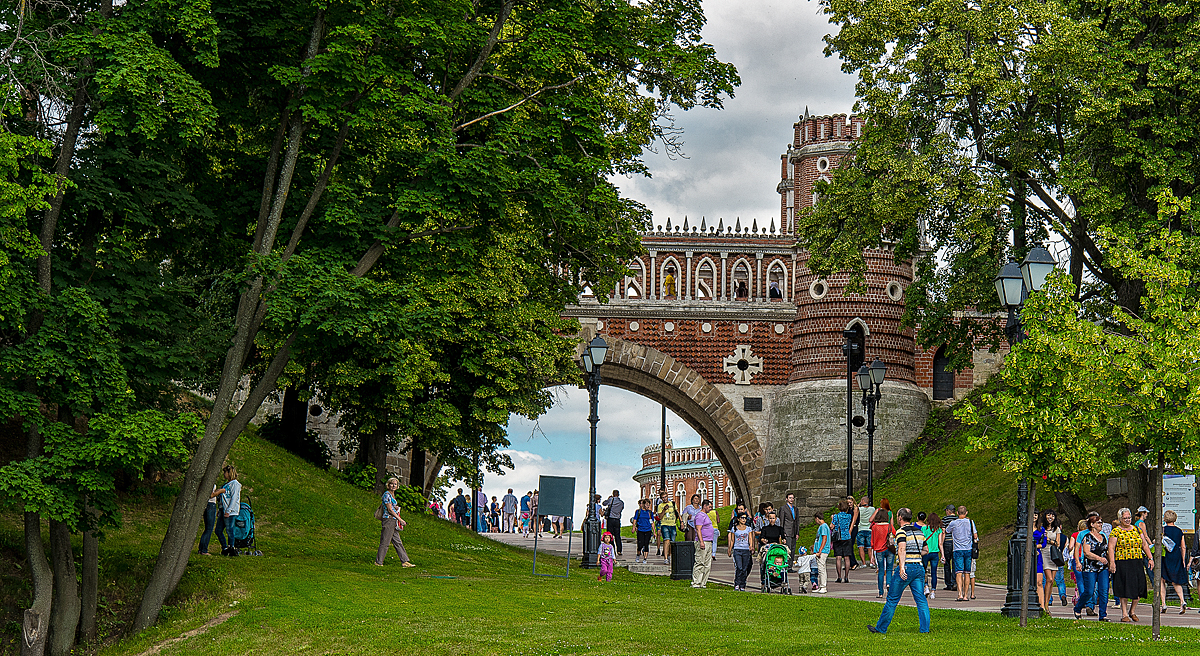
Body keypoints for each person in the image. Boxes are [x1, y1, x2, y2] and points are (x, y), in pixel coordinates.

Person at [868, 508, 931, 635]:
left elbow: (902, 549)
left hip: (906, 567)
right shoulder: (919, 532)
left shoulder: (901, 532)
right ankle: (925, 629)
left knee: (892, 599)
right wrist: (915, 553)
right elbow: (926, 550)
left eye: (897, 516)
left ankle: (881, 628)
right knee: (921, 599)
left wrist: (902, 566)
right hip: (919, 567)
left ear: (900, 518)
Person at [1108, 507, 1153, 622]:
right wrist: (1112, 562)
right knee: (1124, 588)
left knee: (1139, 587)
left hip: (1136, 561)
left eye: (1129, 518)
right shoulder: (1116, 531)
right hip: (1123, 562)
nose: (1127, 520)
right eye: (1125, 518)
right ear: (1120, 519)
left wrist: (1150, 558)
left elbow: (1144, 545)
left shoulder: (1137, 529)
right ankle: (1124, 614)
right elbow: (1111, 548)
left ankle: (1132, 611)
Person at [1074, 514, 1109, 621]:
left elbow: (1106, 551)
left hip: (1103, 567)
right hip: (1090, 567)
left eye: (1101, 522)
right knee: (1089, 591)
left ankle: (1103, 615)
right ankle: (1078, 607)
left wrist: (1111, 562)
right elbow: (1086, 552)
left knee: (1104, 591)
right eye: (1098, 522)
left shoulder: (1103, 536)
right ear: (1092, 524)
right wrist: (1078, 562)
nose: (1101, 524)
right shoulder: (1086, 536)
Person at [375, 477, 415, 567]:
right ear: (388, 485)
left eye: (395, 484)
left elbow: (392, 507)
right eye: (391, 484)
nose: (393, 485)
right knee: (385, 541)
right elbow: (389, 509)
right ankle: (378, 562)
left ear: (397, 486)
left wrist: (396, 508)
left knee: (397, 541)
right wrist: (400, 519)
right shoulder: (387, 494)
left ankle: (405, 561)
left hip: (393, 520)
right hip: (388, 520)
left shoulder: (392, 495)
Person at [1033, 508, 1063, 614]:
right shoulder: (1041, 528)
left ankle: (1046, 603)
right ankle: (1044, 603)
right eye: (1049, 515)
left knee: (1051, 581)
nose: (1051, 517)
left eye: (1053, 515)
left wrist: (1050, 541)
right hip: (1044, 553)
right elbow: (1045, 541)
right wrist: (1051, 541)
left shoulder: (1056, 529)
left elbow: (1058, 543)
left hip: (1053, 555)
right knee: (1048, 578)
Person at [1160, 510, 1188, 613]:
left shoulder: (1162, 530)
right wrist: (1183, 559)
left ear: (1165, 518)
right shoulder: (1179, 531)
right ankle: (1182, 601)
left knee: (1162, 579)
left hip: (1165, 556)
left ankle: (1163, 604)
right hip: (1176, 556)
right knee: (1175, 580)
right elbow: (1183, 546)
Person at [947, 505, 977, 601]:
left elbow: (947, 530)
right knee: (967, 572)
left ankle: (959, 594)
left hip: (957, 549)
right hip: (968, 549)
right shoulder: (970, 522)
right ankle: (966, 595)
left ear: (957, 513)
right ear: (966, 512)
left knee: (958, 572)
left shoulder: (953, 523)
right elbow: (975, 535)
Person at [213, 465, 242, 556]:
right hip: (223, 509)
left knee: (230, 530)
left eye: (225, 472)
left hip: (230, 511)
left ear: (229, 473)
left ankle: (231, 547)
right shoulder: (226, 484)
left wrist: (228, 510)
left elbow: (234, 498)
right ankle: (224, 547)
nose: (224, 474)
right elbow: (222, 498)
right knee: (218, 530)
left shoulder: (235, 484)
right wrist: (220, 508)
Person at [870, 508, 895, 598]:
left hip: (879, 550)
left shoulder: (874, 527)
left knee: (881, 570)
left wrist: (872, 555)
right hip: (889, 550)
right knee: (889, 569)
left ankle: (880, 593)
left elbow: (872, 542)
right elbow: (895, 535)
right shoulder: (890, 526)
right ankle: (888, 584)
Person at [692, 500, 716, 588]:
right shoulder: (700, 516)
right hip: (703, 541)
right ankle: (696, 582)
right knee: (700, 562)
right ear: (704, 506)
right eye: (709, 507)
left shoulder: (706, 515)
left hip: (709, 541)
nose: (710, 509)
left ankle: (703, 583)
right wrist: (701, 542)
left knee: (707, 564)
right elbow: (698, 529)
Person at [728, 513, 755, 591]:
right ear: (739, 519)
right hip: (737, 549)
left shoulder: (748, 528)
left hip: (746, 550)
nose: (744, 519)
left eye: (745, 518)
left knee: (744, 568)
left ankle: (742, 584)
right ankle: (737, 583)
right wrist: (730, 549)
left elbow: (750, 538)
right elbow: (732, 540)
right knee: (739, 567)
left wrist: (751, 546)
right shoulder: (734, 528)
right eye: (742, 518)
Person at [831, 500, 854, 583]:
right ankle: (846, 577)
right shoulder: (849, 516)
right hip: (847, 537)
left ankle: (839, 577)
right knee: (847, 558)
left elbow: (832, 526)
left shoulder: (836, 516)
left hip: (838, 538)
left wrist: (832, 519)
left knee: (838, 557)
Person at [921, 513, 943, 599]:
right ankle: (933, 591)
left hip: (926, 552)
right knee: (934, 572)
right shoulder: (939, 530)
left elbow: (922, 540)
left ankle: (926, 586)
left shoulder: (924, 528)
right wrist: (943, 555)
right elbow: (940, 543)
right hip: (935, 553)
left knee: (924, 571)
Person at [656, 491, 679, 565]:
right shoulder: (660, 506)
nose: (664, 499)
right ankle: (665, 558)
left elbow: (677, 512)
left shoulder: (672, 503)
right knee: (666, 541)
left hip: (673, 524)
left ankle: (669, 555)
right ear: (661, 499)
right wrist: (664, 510)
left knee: (672, 542)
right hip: (664, 524)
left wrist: (681, 522)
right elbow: (660, 517)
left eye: (665, 497)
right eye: (663, 498)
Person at [812, 512, 831, 593]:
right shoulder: (823, 526)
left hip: (822, 551)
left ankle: (823, 586)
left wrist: (820, 550)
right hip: (820, 550)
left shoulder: (823, 526)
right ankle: (821, 586)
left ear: (817, 518)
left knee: (821, 569)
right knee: (821, 568)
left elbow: (824, 538)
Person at [602, 490, 625, 557]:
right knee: (617, 535)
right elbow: (622, 509)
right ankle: (619, 550)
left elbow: (604, 503)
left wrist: (608, 499)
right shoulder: (621, 502)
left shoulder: (611, 500)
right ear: (618, 494)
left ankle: (612, 549)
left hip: (611, 519)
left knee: (610, 535)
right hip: (617, 519)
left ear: (613, 494)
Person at [780, 493, 800, 570]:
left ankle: (790, 566)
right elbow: (782, 521)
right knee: (787, 549)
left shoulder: (795, 509)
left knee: (793, 549)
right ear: (786, 499)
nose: (791, 499)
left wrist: (797, 532)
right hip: (787, 531)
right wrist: (782, 533)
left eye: (792, 498)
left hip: (794, 532)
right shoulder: (783, 508)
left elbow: (797, 521)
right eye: (790, 498)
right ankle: (786, 566)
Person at [632, 499, 655, 564]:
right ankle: (638, 555)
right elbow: (635, 519)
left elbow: (652, 522)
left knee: (646, 544)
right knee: (640, 544)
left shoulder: (650, 513)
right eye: (647, 504)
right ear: (643, 504)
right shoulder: (638, 511)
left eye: (649, 505)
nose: (648, 506)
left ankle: (645, 558)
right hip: (640, 530)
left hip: (648, 530)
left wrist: (654, 532)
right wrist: (634, 527)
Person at [941, 504, 957, 592]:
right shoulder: (958, 519)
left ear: (948, 511)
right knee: (955, 563)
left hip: (947, 542)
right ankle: (955, 581)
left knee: (946, 563)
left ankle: (948, 583)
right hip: (955, 543)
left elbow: (943, 532)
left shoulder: (944, 519)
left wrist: (941, 544)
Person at [199, 484, 218, 556]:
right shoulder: (211, 483)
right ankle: (204, 549)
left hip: (207, 504)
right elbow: (211, 494)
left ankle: (201, 549)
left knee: (207, 528)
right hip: (211, 504)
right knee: (209, 528)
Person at [857, 496, 876, 569]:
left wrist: (859, 504)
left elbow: (856, 509)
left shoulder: (859, 509)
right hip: (869, 529)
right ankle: (871, 562)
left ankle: (864, 563)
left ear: (862, 501)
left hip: (861, 529)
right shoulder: (872, 509)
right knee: (869, 547)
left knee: (861, 547)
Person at [847, 495, 861, 569]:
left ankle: (853, 563)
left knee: (850, 545)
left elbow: (854, 521)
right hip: (849, 527)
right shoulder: (848, 509)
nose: (849, 504)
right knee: (848, 545)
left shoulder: (855, 509)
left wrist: (850, 530)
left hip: (853, 527)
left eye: (850, 502)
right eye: (848, 503)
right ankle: (850, 562)